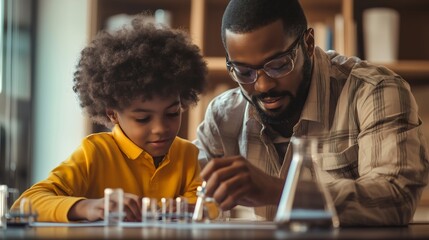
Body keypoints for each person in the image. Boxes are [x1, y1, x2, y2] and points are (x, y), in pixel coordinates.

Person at [194, 0, 429, 226]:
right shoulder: (223, 116)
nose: (263, 86)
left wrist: (279, 191)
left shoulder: (374, 92)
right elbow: (185, 190)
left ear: (308, 44)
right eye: (244, 73)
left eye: (278, 65)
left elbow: (397, 197)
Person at [12, 15, 207, 222]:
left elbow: (205, 207)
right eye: (142, 118)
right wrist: (88, 207)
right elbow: (27, 202)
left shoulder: (187, 155)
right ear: (112, 113)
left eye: (172, 113)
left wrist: (195, 207)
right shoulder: (94, 153)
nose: (160, 128)